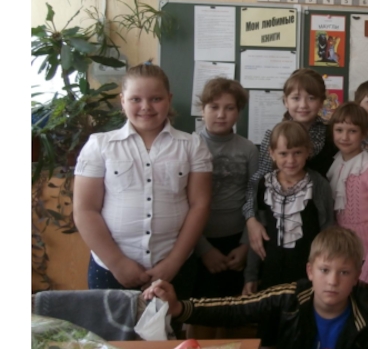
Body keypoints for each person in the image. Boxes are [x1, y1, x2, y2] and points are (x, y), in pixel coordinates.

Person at [144, 227, 368, 349]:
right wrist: (179, 308)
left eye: (344, 272)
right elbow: (236, 307)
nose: (333, 281)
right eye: (324, 270)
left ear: (357, 277)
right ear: (310, 271)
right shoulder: (290, 297)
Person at [73, 62, 212, 298]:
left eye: (156, 99)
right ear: (122, 101)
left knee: (172, 323)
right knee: (113, 324)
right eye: (135, 99)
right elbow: (85, 210)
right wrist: (117, 263)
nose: (146, 106)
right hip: (110, 269)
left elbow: (200, 205)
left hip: (174, 267)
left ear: (169, 99)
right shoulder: (99, 145)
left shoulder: (192, 145)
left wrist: (173, 262)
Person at [244, 68, 336, 260]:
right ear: (285, 101)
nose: (303, 105)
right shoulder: (274, 136)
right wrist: (251, 219)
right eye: (295, 98)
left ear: (321, 101)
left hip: (319, 225)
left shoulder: (332, 135)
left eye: (311, 98)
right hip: (278, 227)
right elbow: (258, 180)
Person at [242, 121, 334, 293]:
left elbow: (327, 230)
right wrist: (251, 275)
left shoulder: (319, 184)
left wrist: (325, 272)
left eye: (297, 152)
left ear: (308, 151)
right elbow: (257, 236)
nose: (291, 160)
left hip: (308, 274)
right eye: (283, 154)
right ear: (271, 153)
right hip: (270, 271)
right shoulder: (263, 185)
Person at [193, 78, 257, 301]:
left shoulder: (248, 149)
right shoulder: (188, 146)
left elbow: (254, 197)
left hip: (237, 240)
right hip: (196, 240)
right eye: (214, 107)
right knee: (201, 308)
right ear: (202, 110)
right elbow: (180, 203)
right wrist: (203, 249)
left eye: (229, 108)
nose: (221, 114)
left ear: (238, 112)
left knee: (234, 307)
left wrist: (246, 244)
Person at [326, 103, 368, 288]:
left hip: (366, 257)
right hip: (341, 254)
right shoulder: (335, 164)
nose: (344, 137)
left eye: (352, 131)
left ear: (364, 133)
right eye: (339, 130)